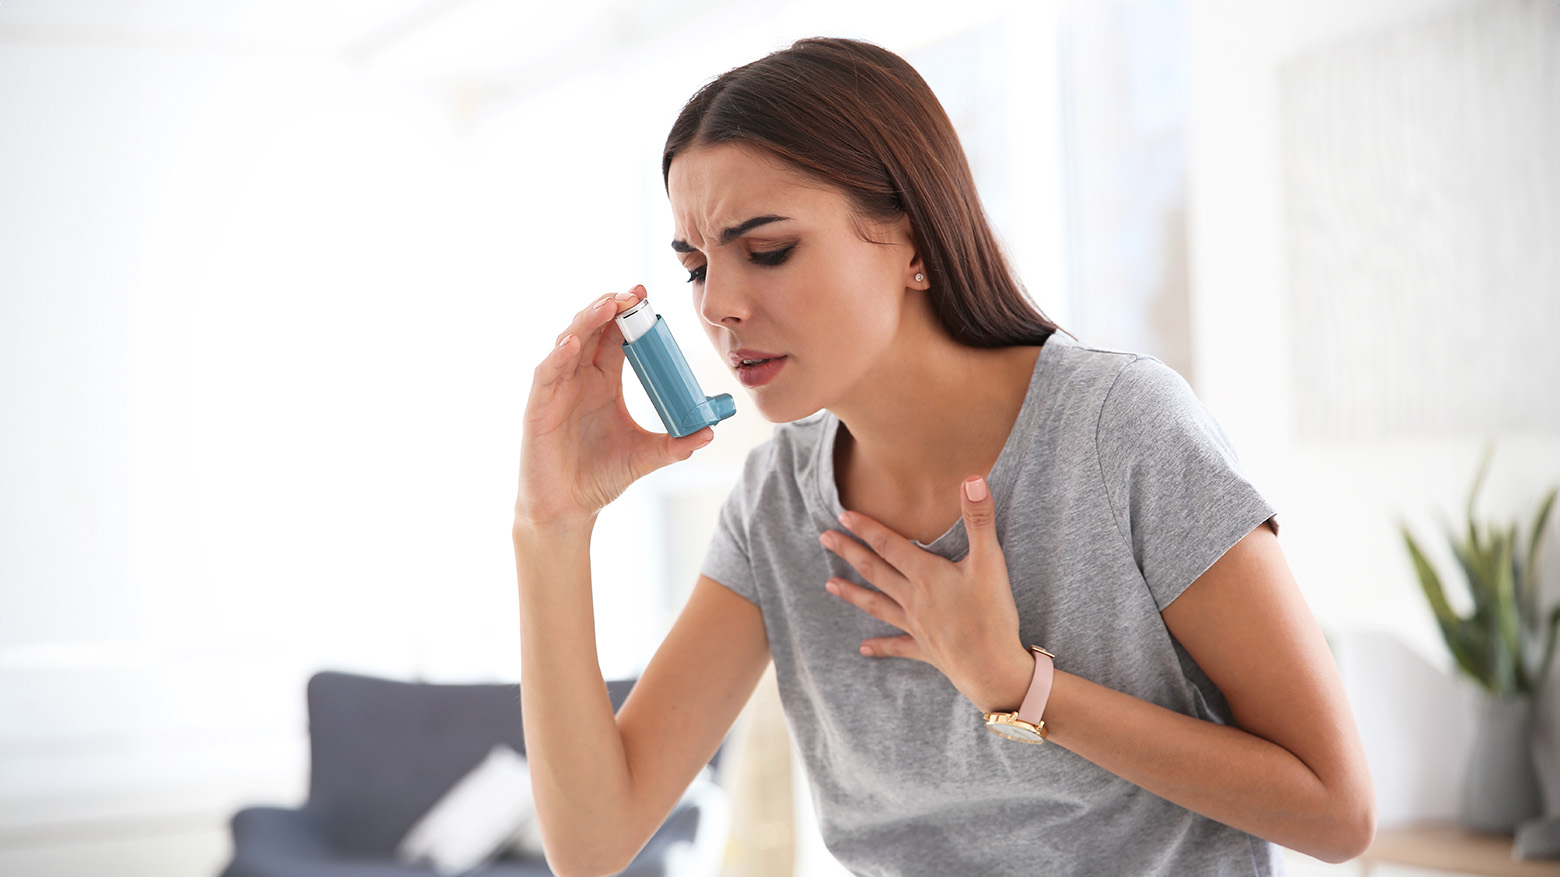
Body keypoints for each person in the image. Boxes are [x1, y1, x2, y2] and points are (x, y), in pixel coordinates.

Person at [513, 37, 1375, 877]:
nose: (720, 305)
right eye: (696, 267)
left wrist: (1019, 685)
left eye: (767, 249)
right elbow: (592, 846)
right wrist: (551, 526)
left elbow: (1336, 810)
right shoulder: (776, 502)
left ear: (917, 242)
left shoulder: (1118, 430)